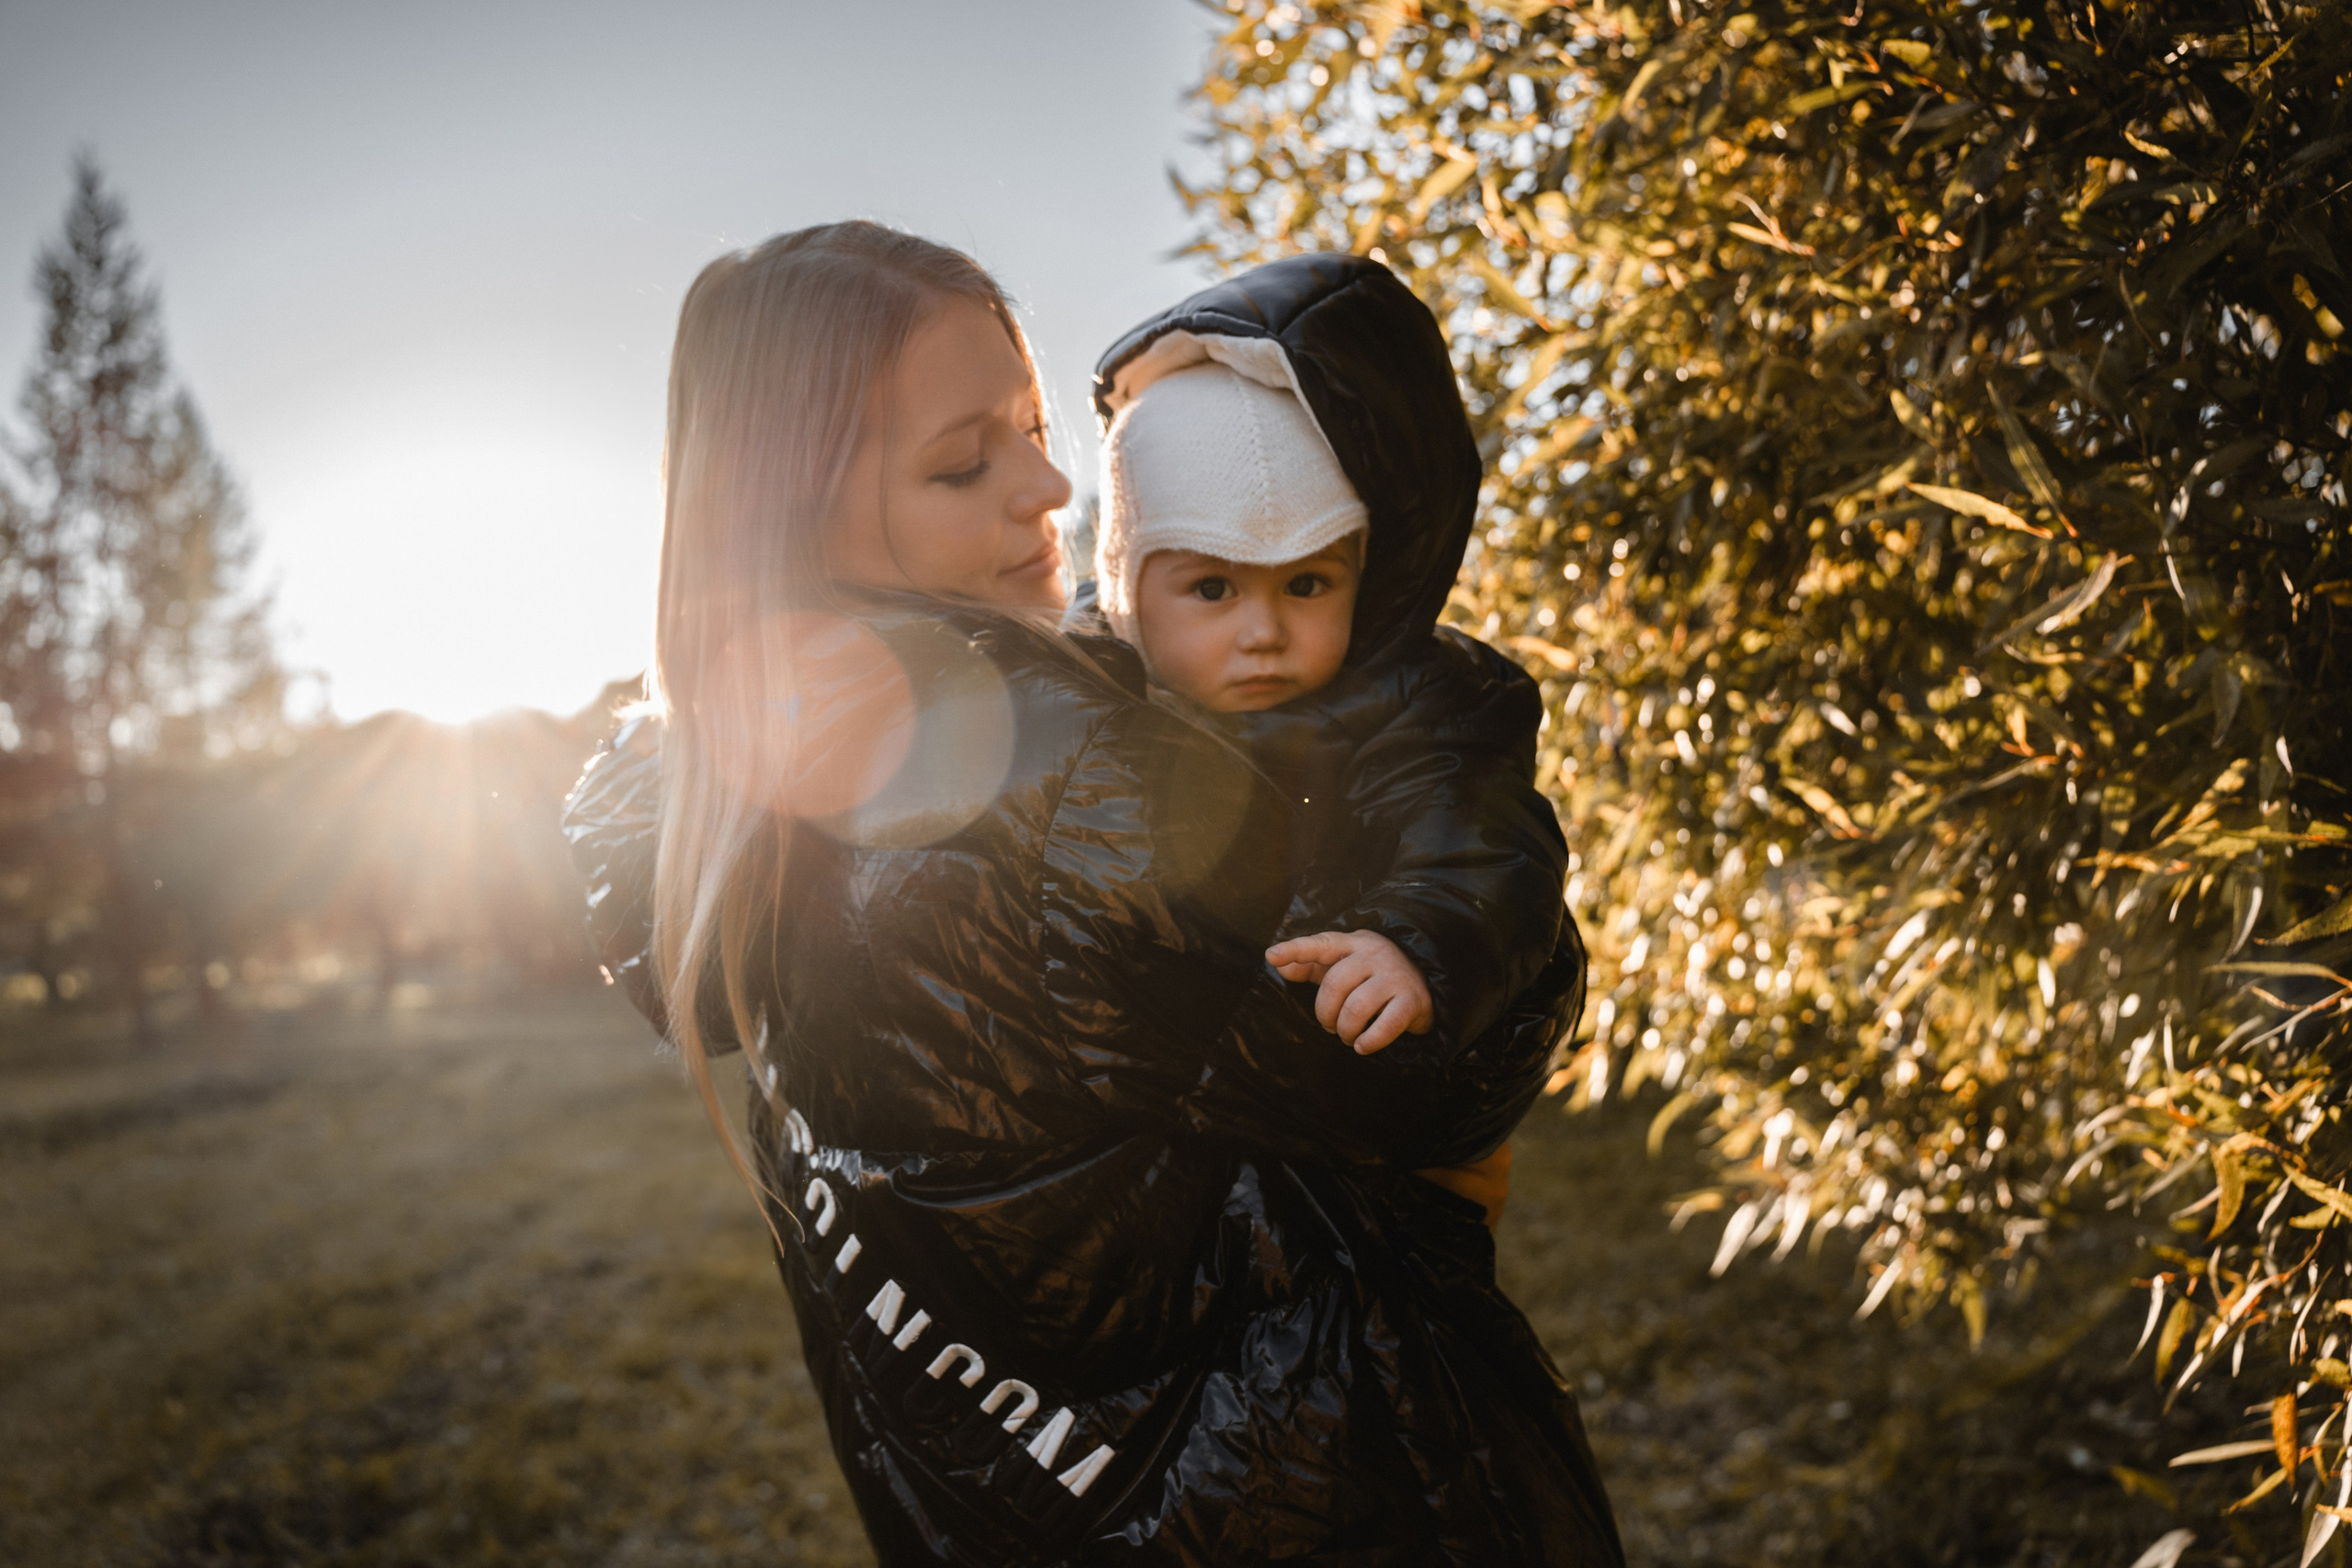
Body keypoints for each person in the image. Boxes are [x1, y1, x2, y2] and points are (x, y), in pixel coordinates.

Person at [563, 222, 1623, 1564]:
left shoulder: (722, 793)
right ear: (793, 513)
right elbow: (1423, 1088)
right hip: (1312, 1491)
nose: (1051, 485)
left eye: (1032, 426)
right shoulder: (1063, 774)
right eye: (965, 463)